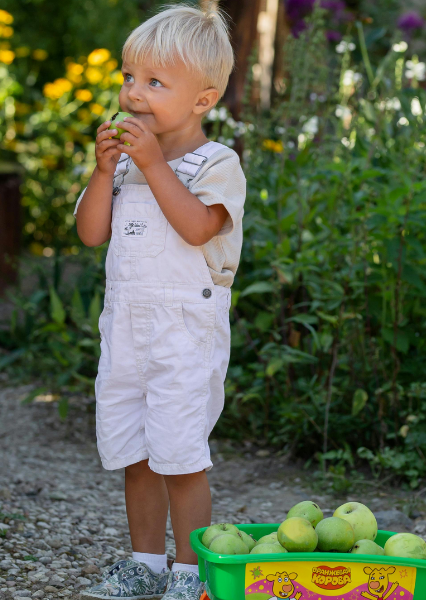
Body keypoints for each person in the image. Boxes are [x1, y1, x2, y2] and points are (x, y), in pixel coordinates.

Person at [73, 3, 245, 598]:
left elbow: (199, 229)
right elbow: (91, 233)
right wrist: (101, 173)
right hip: (126, 327)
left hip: (184, 329)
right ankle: (143, 566)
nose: (133, 93)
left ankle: (190, 572)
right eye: (128, 77)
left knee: (179, 451)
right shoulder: (121, 165)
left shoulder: (217, 163)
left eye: (154, 82)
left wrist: (150, 161)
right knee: (135, 449)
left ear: (203, 98)